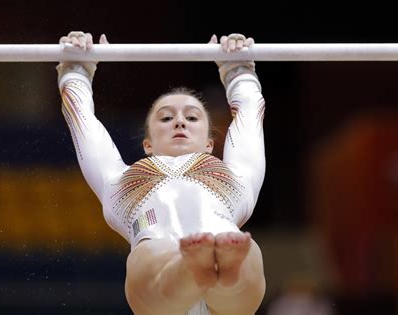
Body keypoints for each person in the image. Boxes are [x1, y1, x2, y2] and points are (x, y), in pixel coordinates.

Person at [57, 31, 266, 315]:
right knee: (154, 254)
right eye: (166, 117)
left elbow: (250, 113)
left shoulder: (237, 176)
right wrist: (77, 66)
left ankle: (219, 270)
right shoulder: (117, 181)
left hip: (219, 269)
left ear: (209, 144)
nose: (179, 121)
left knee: (246, 254)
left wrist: (237, 67)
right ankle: (195, 268)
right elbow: (81, 120)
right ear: (148, 144)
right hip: (160, 280)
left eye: (192, 117)